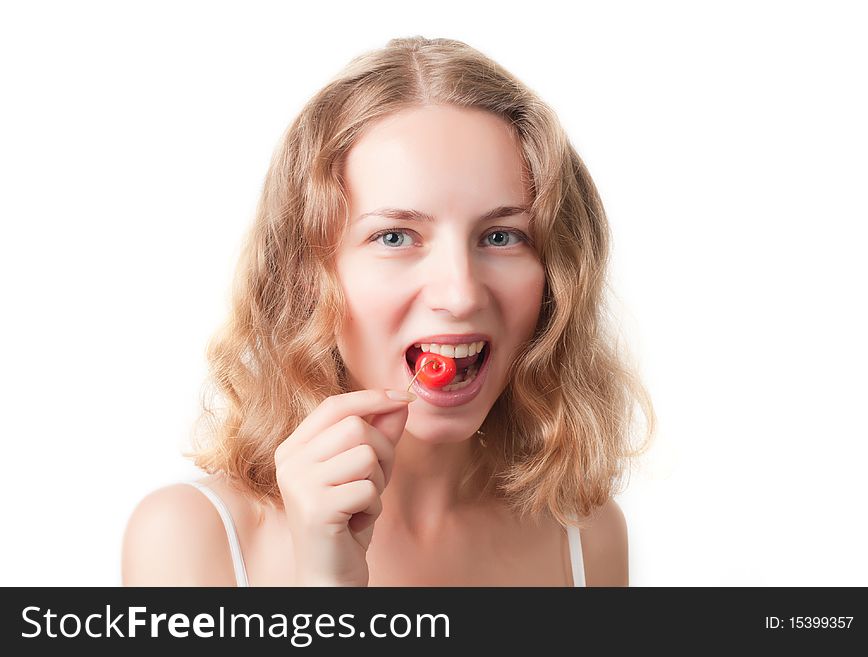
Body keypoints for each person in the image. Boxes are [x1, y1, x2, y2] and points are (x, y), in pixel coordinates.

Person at [121, 36, 654, 587]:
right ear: (308, 275)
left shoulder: (584, 535)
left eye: (501, 235)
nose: (462, 293)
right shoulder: (190, 539)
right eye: (395, 236)